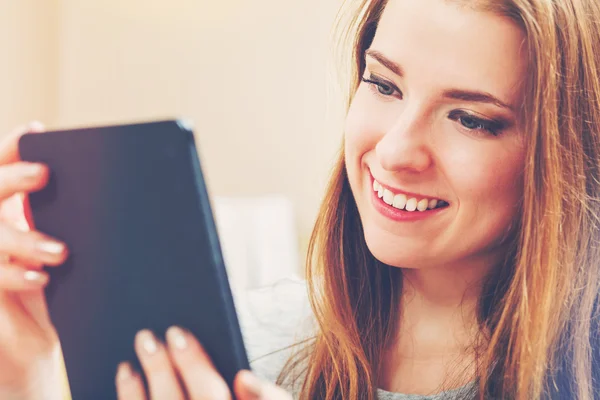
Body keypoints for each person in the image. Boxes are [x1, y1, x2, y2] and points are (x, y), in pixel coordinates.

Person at [0, 0, 598, 398]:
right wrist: (21, 371)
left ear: (569, 150)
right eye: (383, 84)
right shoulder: (252, 347)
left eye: (469, 119)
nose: (394, 152)